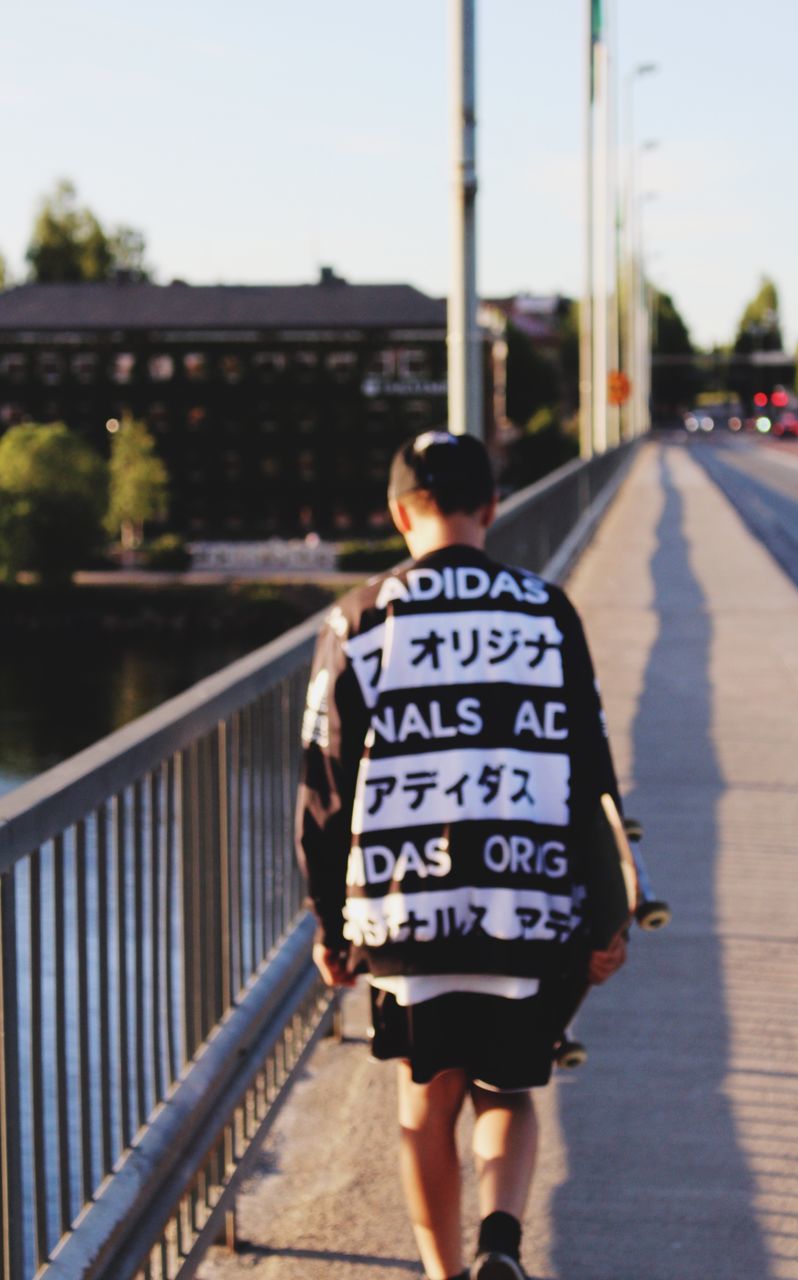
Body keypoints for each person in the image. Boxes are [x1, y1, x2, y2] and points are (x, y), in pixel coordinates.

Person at [296, 429, 627, 1280]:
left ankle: (446, 1275)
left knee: (422, 1103)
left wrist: (329, 923)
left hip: (409, 910)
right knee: (507, 1089)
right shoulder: (546, 611)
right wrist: (606, 911)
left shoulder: (360, 616)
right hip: (527, 899)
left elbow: (325, 786)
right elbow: (587, 769)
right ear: (489, 508)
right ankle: (501, 1244)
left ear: (398, 513)